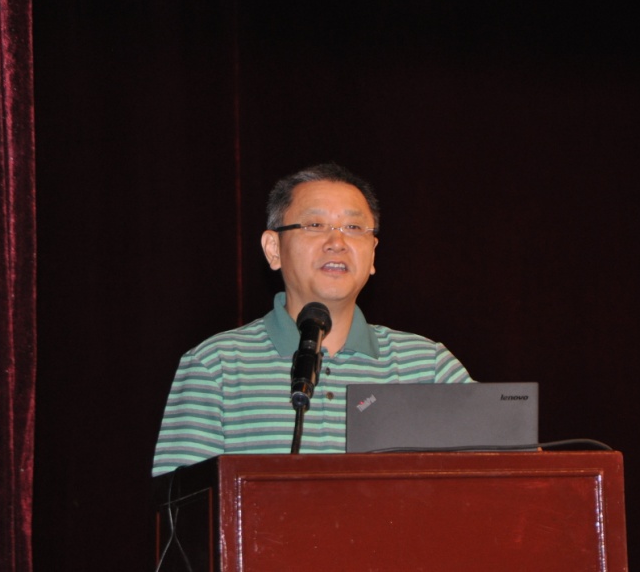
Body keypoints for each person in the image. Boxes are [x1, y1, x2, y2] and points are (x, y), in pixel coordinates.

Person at [152, 163, 472, 476]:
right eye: (315, 225)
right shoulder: (216, 367)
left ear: (373, 253)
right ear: (273, 249)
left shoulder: (427, 367)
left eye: (353, 228)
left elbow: (493, 477)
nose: (337, 243)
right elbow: (181, 507)